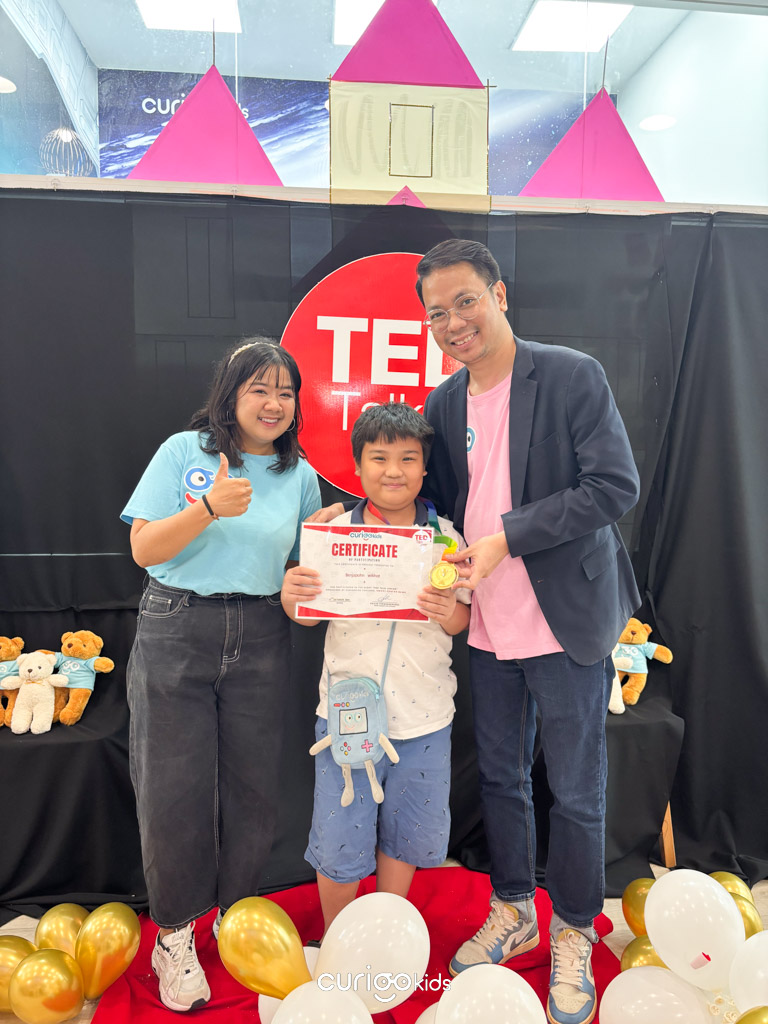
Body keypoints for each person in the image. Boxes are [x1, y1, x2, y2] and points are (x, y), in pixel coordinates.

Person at [416, 238, 641, 1024]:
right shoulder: (443, 403)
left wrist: (507, 537)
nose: (453, 323)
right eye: (437, 313)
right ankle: (514, 908)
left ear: (500, 295)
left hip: (565, 618)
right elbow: (443, 507)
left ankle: (575, 926)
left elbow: (613, 485)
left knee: (576, 790)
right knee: (502, 780)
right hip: (488, 623)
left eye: (465, 302)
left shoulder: (571, 374)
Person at [121, 338, 321, 1013]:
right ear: (230, 395)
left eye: (285, 392)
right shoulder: (186, 453)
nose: (273, 403)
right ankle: (175, 934)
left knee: (253, 788)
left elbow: (300, 576)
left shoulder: (300, 475)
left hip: (262, 632)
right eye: (259, 388)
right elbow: (142, 548)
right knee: (172, 788)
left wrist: (319, 576)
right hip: (177, 625)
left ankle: (236, 917)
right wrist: (207, 508)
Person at [281, 403, 470, 934]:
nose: (394, 471)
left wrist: (447, 610)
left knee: (407, 834)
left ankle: (385, 930)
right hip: (347, 715)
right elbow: (306, 615)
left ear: (425, 468)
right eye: (379, 458)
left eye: (408, 458)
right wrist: (291, 595)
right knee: (341, 835)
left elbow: (462, 622)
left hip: (425, 715)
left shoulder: (446, 537)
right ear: (358, 467)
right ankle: (339, 936)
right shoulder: (333, 533)